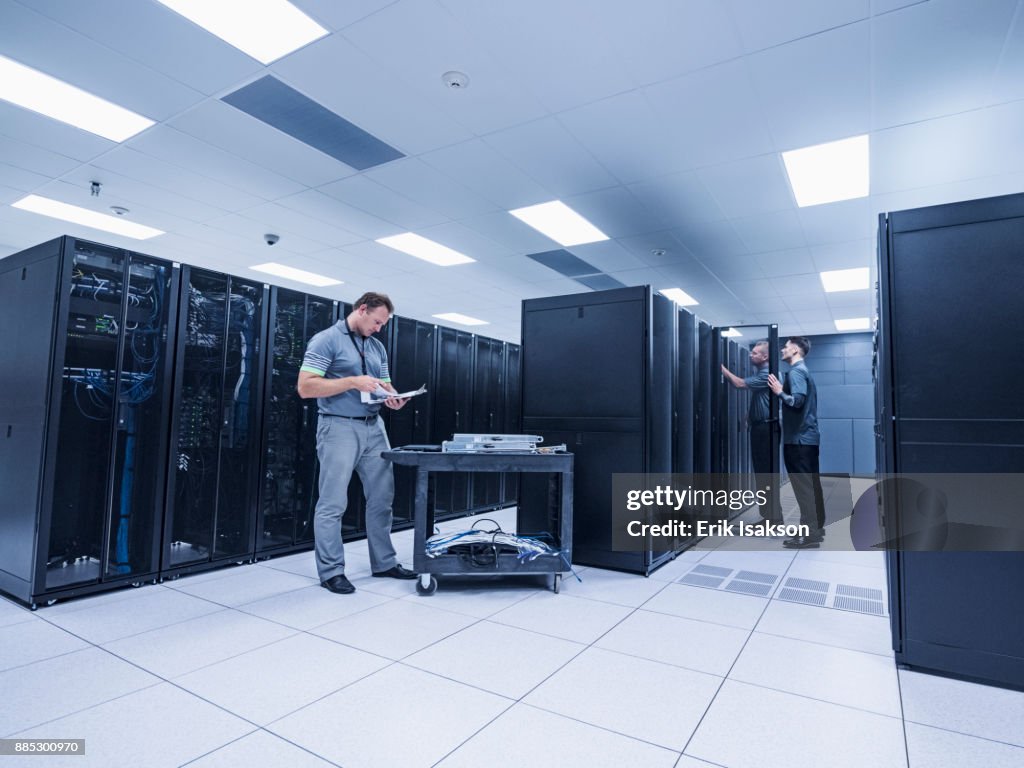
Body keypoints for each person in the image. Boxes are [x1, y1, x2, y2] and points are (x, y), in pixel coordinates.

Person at [297, 292, 417, 594]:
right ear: (362, 310)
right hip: (338, 426)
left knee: (382, 498)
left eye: (383, 324)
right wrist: (352, 381)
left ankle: (384, 562)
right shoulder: (326, 340)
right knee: (333, 502)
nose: (379, 328)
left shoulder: (376, 346)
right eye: (376, 321)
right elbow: (305, 387)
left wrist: (394, 395)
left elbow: (384, 382)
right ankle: (331, 571)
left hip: (374, 426)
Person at [767, 337, 826, 549]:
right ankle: (816, 529)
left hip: (798, 440)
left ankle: (808, 535)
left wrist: (779, 392)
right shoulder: (804, 371)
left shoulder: (796, 371)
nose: (782, 349)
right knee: (812, 486)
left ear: (795, 349)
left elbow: (797, 401)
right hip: (808, 438)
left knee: (804, 488)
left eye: (786, 346)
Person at [721, 340, 782, 524]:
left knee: (765, 474)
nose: (750, 355)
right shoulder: (763, 373)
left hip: (765, 429)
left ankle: (773, 518)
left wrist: (721, 368)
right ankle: (770, 517)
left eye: (754, 353)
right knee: (763, 474)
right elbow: (760, 398)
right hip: (761, 427)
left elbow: (739, 384)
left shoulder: (767, 374)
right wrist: (749, 416)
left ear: (765, 356)